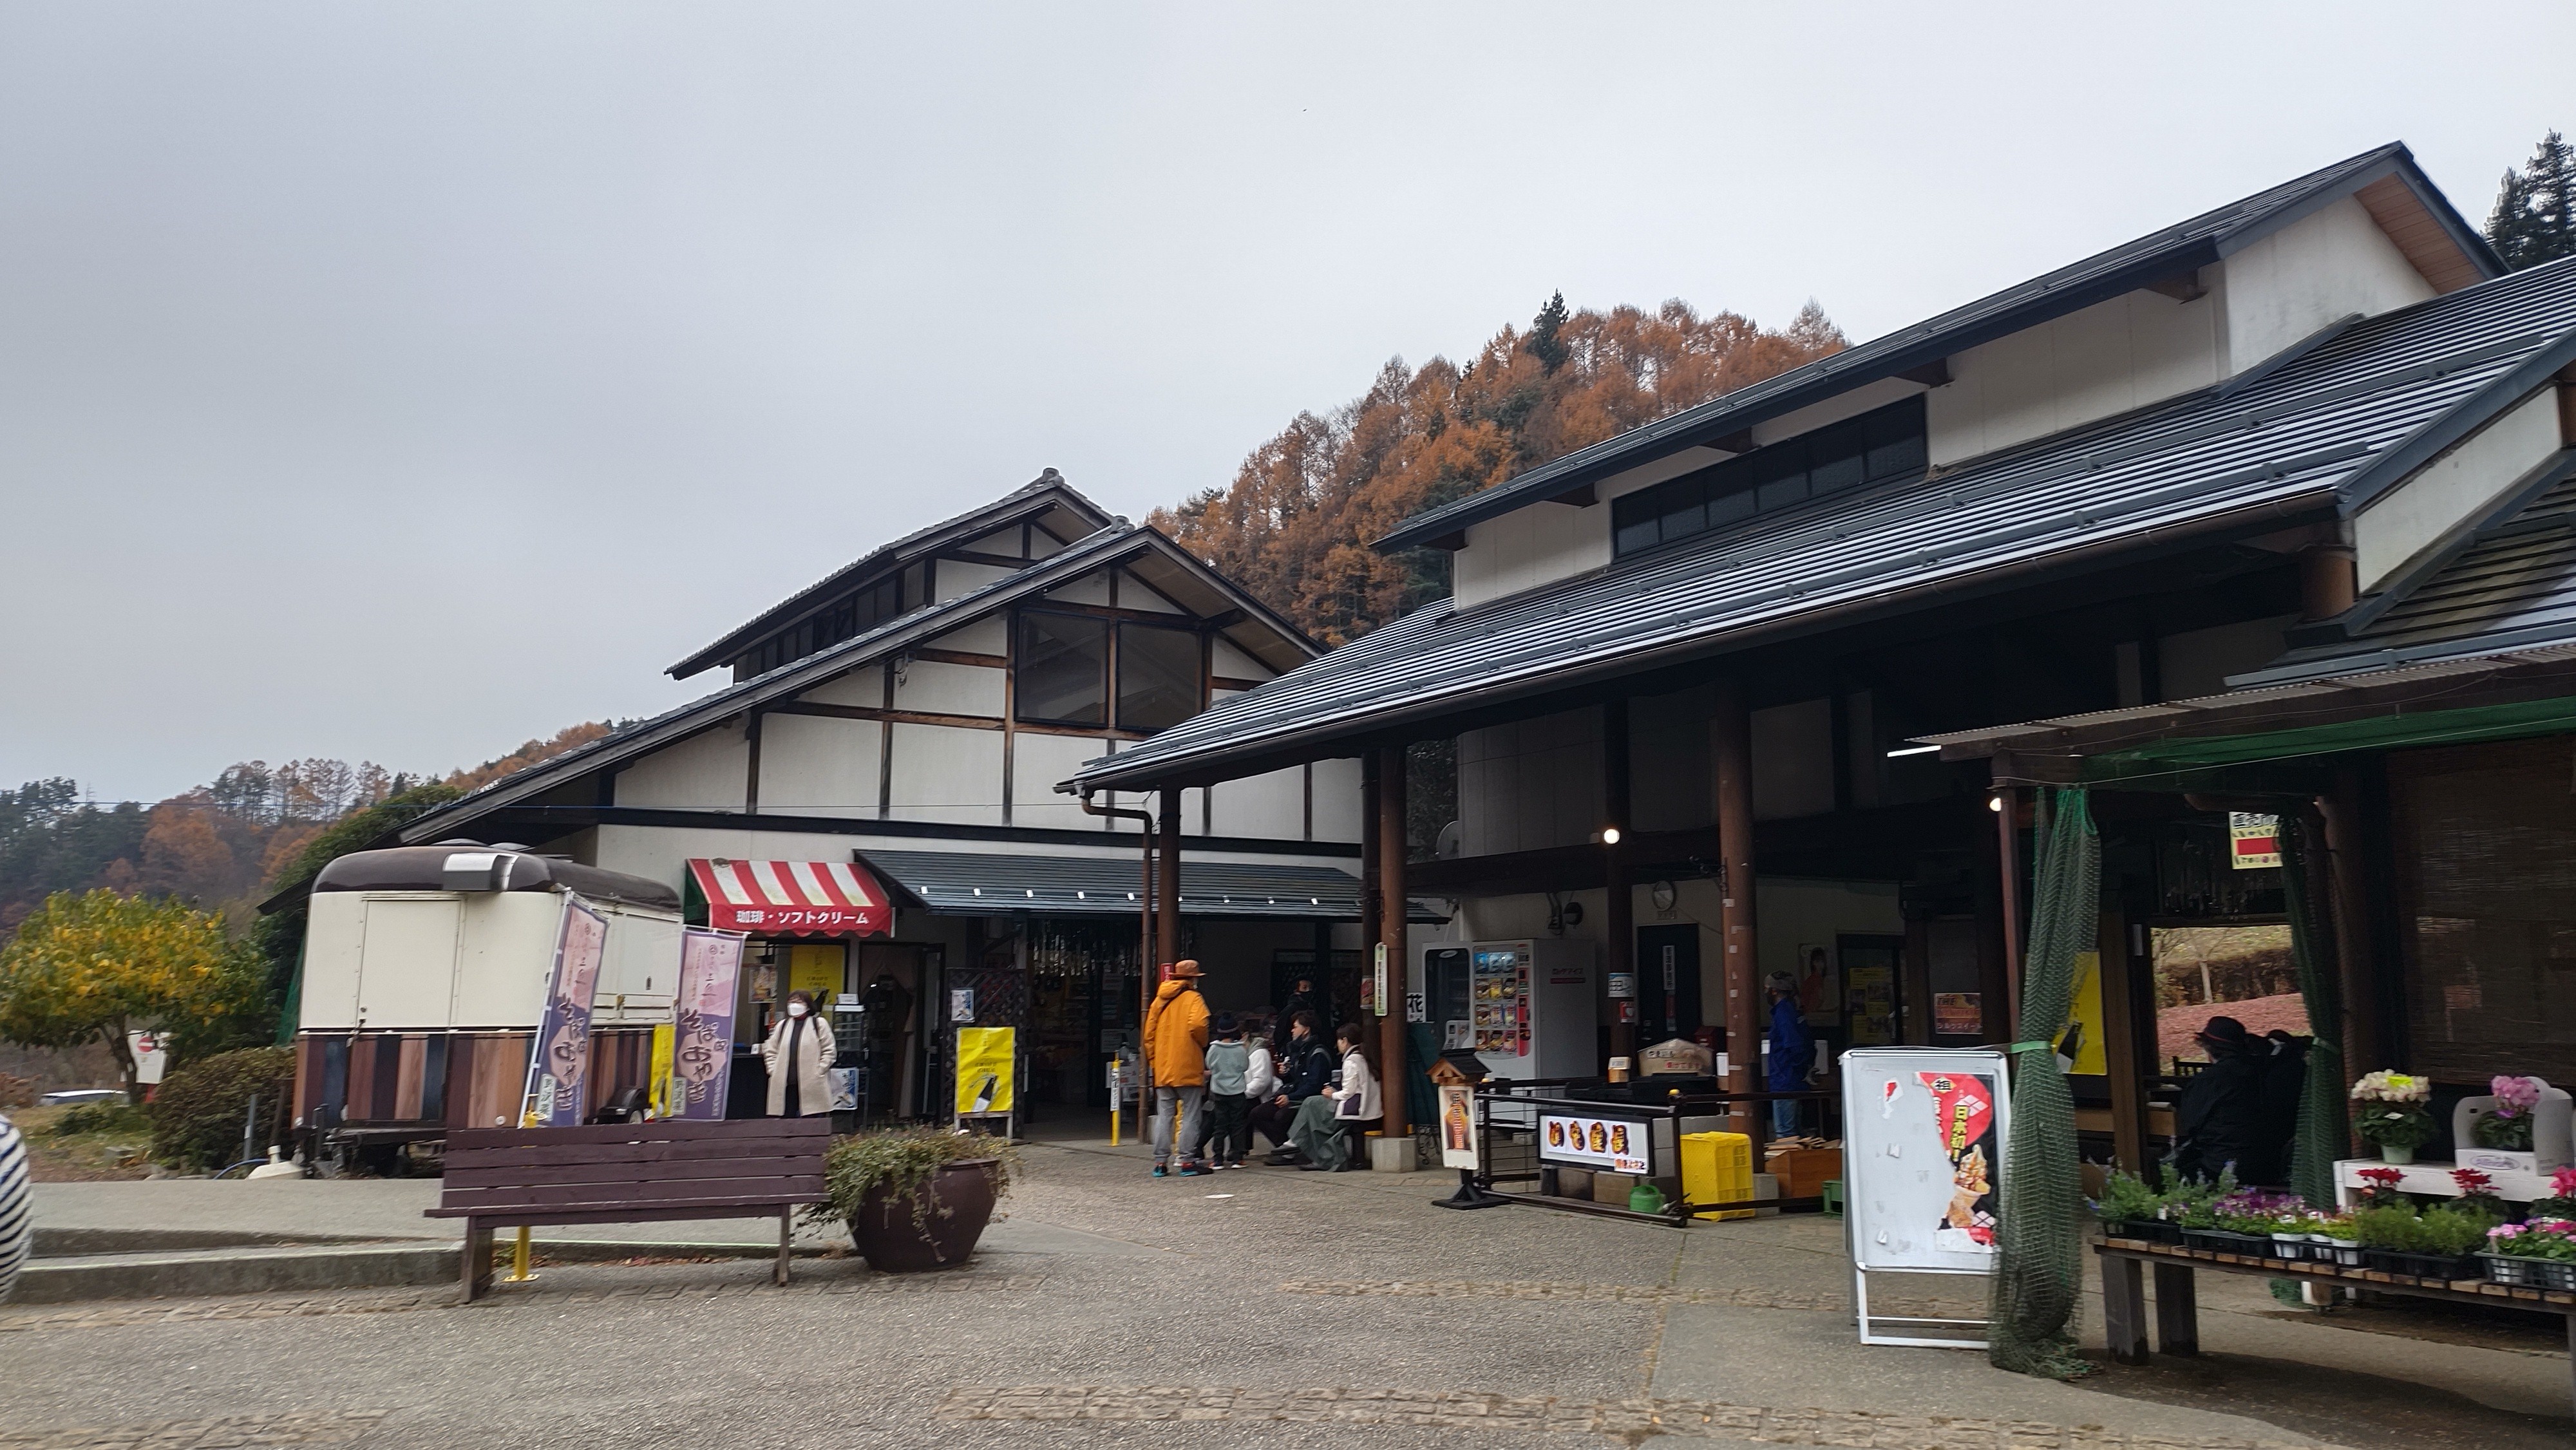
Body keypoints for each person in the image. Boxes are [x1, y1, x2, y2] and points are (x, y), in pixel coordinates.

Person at [2172, 1015, 2287, 1184]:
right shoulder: (2267, 1073)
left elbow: (2190, 1124)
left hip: (2220, 1165)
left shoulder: (2208, 1081)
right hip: (2271, 1163)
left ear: (2209, 1048)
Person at [1144, 959, 1213, 1178]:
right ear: (1193, 979)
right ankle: (1186, 1161)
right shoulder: (1194, 998)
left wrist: (1155, 1062)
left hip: (1164, 1068)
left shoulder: (1159, 1001)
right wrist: (1201, 1044)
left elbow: (1148, 1036)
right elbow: (1199, 1025)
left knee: (1165, 1116)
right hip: (1187, 1066)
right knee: (1191, 1115)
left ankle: (1160, 1163)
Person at [1289, 1022, 1381, 1172]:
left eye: (1338, 1041)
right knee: (1312, 1104)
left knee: (1312, 1106)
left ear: (1344, 1041)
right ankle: (1297, 1140)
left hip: (1356, 1108)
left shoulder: (1351, 1061)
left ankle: (1299, 1141)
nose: (1337, 1044)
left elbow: (1348, 1093)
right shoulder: (1362, 1057)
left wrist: (1332, 1094)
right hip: (1367, 1106)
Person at [1257, 1011, 1334, 1163]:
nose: (1292, 1030)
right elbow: (1296, 1079)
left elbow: (1313, 1084)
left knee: (1281, 1115)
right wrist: (1285, 1073)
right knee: (1257, 1113)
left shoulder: (1317, 1052)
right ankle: (1288, 1150)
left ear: (1306, 1029)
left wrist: (1290, 1097)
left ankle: (1294, 1150)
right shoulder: (1295, 1050)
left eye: (1295, 1027)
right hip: (1294, 1094)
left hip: (1308, 1098)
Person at [761, 990, 835, 1118]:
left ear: (807, 1005)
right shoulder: (782, 1026)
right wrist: (773, 1070)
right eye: (791, 1002)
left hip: (812, 1083)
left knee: (812, 1120)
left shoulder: (819, 1024)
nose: (794, 1005)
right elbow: (770, 1050)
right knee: (786, 1122)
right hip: (786, 1085)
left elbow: (829, 1050)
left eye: (798, 1002)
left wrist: (820, 1070)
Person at [1200, 1013, 1253, 1169]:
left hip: (1219, 1092)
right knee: (1237, 1125)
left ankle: (1217, 1159)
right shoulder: (1240, 1049)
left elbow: (1210, 1066)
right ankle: (1238, 1159)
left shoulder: (1214, 1048)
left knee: (1219, 1126)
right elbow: (1245, 1067)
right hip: (1237, 1092)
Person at [1765, 972, 1812, 1140]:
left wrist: (1796, 1070)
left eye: (1767, 988)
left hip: (1785, 1079)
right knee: (1795, 1131)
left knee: (1785, 1134)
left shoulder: (1783, 1013)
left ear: (1774, 991)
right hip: (1793, 1078)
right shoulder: (1794, 1011)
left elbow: (1793, 1045)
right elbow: (1805, 1044)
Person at [1276, 977, 1326, 1049]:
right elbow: (1280, 1033)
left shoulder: (1311, 1007)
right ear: (1296, 991)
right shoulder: (1289, 1010)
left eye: (1310, 988)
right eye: (1304, 988)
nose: (1308, 991)